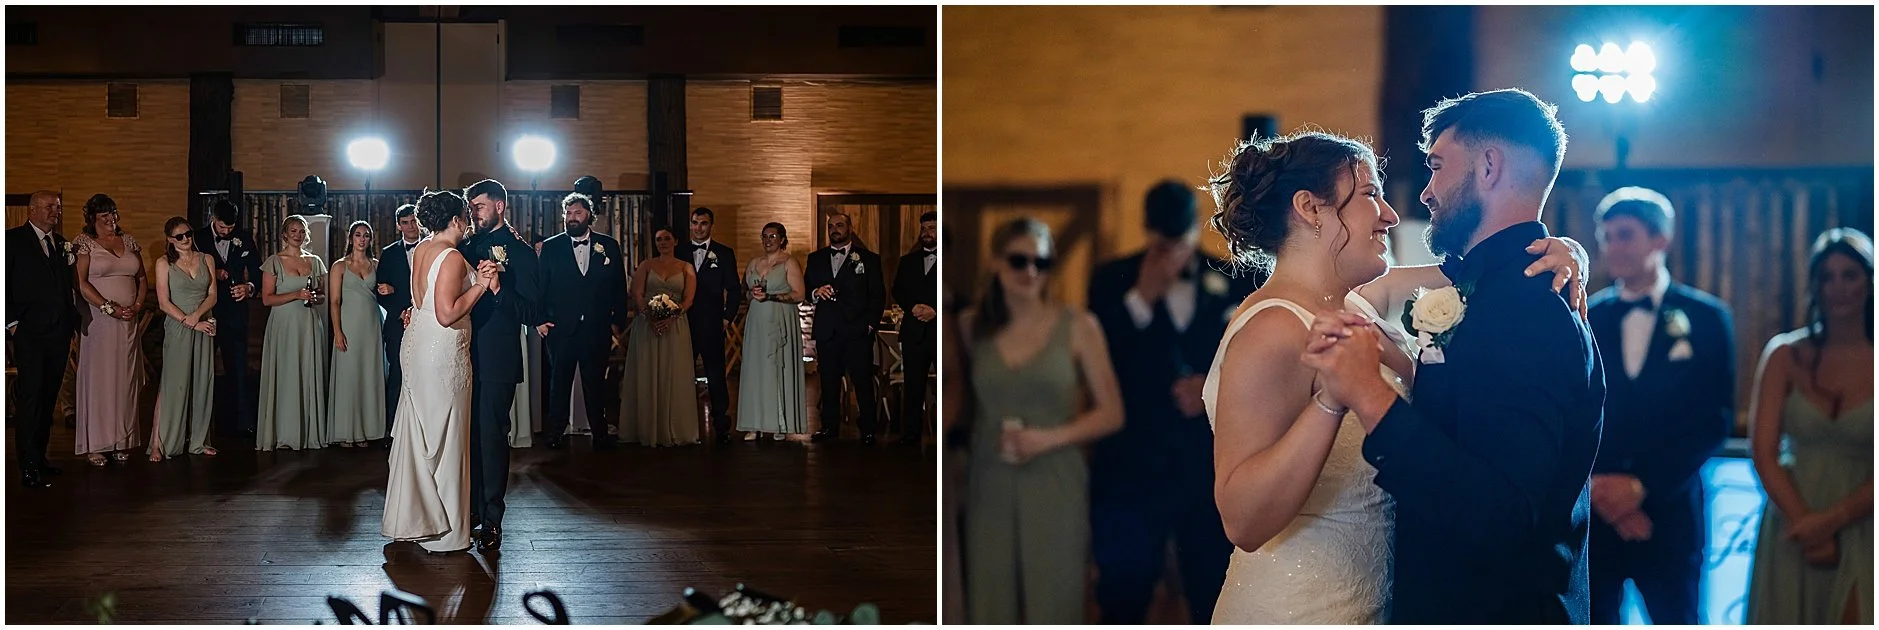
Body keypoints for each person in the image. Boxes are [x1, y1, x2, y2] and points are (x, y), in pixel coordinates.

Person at [1203, 129, 1587, 623]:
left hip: (1381, 601)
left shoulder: (1363, 301)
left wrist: (1566, 248)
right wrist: (1330, 402)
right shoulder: (1273, 329)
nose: (1389, 214)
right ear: (1309, 207)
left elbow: (1486, 266)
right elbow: (1242, 520)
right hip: (1300, 606)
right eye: (1369, 195)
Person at [1302, 88, 1605, 624]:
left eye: (1437, 166)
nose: (1425, 193)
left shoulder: (1526, 310)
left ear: (1489, 165)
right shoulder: (1489, 291)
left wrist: (1370, 398)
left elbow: (1502, 517)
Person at [1085, 181, 1256, 623]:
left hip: (1206, 463)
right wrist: (1141, 299)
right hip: (1129, 464)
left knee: (1209, 586)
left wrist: (1210, 386)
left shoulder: (1233, 278)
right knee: (1123, 591)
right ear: (1146, 228)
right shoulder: (1110, 280)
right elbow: (1101, 361)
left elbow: (1252, 358)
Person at [1584, 186, 1736, 625]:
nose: (1613, 247)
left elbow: (1713, 419)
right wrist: (1601, 489)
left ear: (1660, 240)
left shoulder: (1707, 319)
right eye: (1606, 236)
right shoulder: (1586, 316)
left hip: (1670, 515)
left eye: (1625, 235)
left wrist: (1642, 487)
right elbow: (1576, 411)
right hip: (1597, 517)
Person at [963, 217, 1125, 624]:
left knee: (1054, 599)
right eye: (1019, 261)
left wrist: (1049, 438)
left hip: (1056, 477)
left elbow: (1112, 412)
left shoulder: (1079, 326)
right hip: (989, 477)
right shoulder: (971, 327)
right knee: (989, 600)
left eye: (1042, 262)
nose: (1030, 271)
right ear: (997, 263)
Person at [1746, 228, 1873, 625]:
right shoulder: (1784, 354)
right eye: (1826, 276)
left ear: (1870, 280)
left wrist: (1829, 522)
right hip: (1792, 520)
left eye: (1849, 275)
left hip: (1866, 519)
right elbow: (1763, 452)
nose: (1837, 287)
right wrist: (1804, 522)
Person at [383, 188, 500, 555]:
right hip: (441, 353)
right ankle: (444, 532)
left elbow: (420, 303)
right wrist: (481, 285)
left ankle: (420, 521)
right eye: (465, 216)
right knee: (448, 440)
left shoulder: (421, 249)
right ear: (454, 220)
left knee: (425, 435)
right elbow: (448, 313)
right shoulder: (450, 256)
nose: (468, 223)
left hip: (418, 347)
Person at [459, 178, 545, 552]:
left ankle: (492, 519)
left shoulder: (522, 254)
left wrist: (497, 289)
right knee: (466, 436)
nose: (474, 211)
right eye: (471, 206)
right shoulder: (464, 246)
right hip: (459, 352)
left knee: (492, 437)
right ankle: (469, 512)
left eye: (479, 205)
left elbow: (531, 311)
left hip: (497, 358)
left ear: (499, 206)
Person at [538, 193, 627, 450]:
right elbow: (542, 286)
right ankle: (555, 432)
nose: (572, 218)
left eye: (577, 213)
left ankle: (599, 432)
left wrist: (617, 322)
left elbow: (618, 286)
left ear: (589, 215)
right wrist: (540, 320)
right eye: (568, 213)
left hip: (596, 328)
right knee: (559, 383)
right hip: (560, 328)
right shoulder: (552, 247)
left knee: (595, 382)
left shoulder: (608, 246)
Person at [6, 191, 77, 487]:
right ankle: (28, 464)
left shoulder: (61, 244)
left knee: (48, 397)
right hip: (29, 333)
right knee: (31, 398)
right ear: (32, 209)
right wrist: (11, 324)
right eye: (49, 207)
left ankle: (41, 456)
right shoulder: (11, 241)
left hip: (58, 333)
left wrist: (71, 322)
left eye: (58, 208)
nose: (55, 212)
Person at [71, 194, 147, 466]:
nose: (110, 219)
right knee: (100, 380)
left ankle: (121, 440)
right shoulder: (84, 244)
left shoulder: (128, 241)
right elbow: (80, 283)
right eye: (104, 215)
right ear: (92, 218)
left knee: (124, 382)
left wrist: (136, 306)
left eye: (113, 214)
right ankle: (96, 443)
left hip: (128, 321)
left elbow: (141, 277)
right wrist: (108, 308)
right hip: (100, 321)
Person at [805, 212, 887, 444]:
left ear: (850, 228)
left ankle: (869, 428)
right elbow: (808, 287)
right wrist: (815, 293)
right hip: (827, 330)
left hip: (857, 330)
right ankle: (829, 427)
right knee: (829, 382)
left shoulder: (868, 259)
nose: (835, 229)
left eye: (840, 225)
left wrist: (870, 325)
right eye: (831, 226)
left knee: (862, 381)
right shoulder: (816, 258)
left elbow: (877, 295)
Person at [621, 228, 703, 447]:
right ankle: (647, 429)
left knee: (675, 373)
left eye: (667, 238)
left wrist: (670, 317)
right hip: (647, 326)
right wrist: (650, 317)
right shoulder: (646, 265)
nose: (663, 242)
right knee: (647, 372)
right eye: (659, 239)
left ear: (675, 241)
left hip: (676, 326)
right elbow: (637, 293)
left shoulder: (686, 267)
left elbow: (689, 299)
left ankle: (675, 428)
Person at [256, 214, 330, 451]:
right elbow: (267, 299)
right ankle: (283, 433)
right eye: (293, 231)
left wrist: (313, 297)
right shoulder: (274, 262)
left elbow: (322, 295)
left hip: (308, 323)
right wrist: (296, 295)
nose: (297, 235)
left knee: (307, 372)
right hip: (283, 324)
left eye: (301, 231)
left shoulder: (315, 261)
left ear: (306, 235)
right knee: (285, 374)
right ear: (284, 235)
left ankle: (308, 432)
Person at [150, 216, 220, 460]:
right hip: (178, 326)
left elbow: (212, 295)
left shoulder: (206, 259)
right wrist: (187, 321)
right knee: (174, 384)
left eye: (188, 234)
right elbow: (163, 302)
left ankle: (199, 441)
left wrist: (198, 318)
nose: (185, 239)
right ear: (170, 239)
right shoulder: (163, 263)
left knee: (202, 382)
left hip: (203, 323)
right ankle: (162, 443)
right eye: (179, 236)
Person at [196, 199, 263, 438]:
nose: (227, 232)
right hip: (205, 311)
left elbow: (257, 270)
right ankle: (200, 424)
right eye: (223, 228)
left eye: (230, 228)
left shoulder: (243, 238)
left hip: (235, 311)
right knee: (202, 367)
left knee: (238, 366)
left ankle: (243, 422)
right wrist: (211, 273)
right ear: (213, 219)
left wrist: (249, 287)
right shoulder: (197, 237)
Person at [736, 222, 809, 440]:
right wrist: (753, 295)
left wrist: (771, 296)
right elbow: (746, 293)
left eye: (773, 236)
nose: (768, 240)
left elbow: (799, 295)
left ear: (782, 239)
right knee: (755, 369)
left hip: (780, 319)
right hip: (756, 321)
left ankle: (778, 422)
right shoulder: (753, 263)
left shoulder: (789, 262)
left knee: (777, 369)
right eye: (765, 236)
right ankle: (754, 422)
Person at [678, 207, 742, 444]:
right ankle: (682, 423)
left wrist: (727, 317)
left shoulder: (724, 253)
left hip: (713, 323)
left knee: (716, 375)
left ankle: (721, 426)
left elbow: (734, 289)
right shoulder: (680, 251)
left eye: (703, 223)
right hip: (683, 323)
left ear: (711, 225)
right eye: (694, 222)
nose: (698, 227)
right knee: (682, 374)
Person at [329, 221, 387, 447]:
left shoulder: (376, 264)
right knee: (349, 375)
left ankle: (366, 431)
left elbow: (384, 293)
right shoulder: (339, 266)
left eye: (366, 236)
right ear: (351, 238)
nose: (362, 239)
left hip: (372, 325)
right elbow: (334, 302)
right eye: (358, 235)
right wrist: (337, 331)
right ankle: (347, 431)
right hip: (349, 326)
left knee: (368, 375)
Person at [377, 204, 424, 443]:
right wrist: (400, 311)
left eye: (413, 221)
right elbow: (380, 291)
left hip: (427, 321)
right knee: (397, 374)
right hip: (397, 324)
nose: (410, 226)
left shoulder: (432, 247)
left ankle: (422, 429)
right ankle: (393, 431)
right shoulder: (389, 253)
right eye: (405, 222)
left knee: (424, 375)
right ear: (398, 226)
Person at [892, 211, 939, 444]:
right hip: (913, 332)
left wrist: (936, 311)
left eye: (932, 228)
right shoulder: (907, 261)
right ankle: (911, 435)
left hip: (942, 333)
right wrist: (913, 307)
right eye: (924, 229)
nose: (926, 233)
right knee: (913, 385)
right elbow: (898, 290)